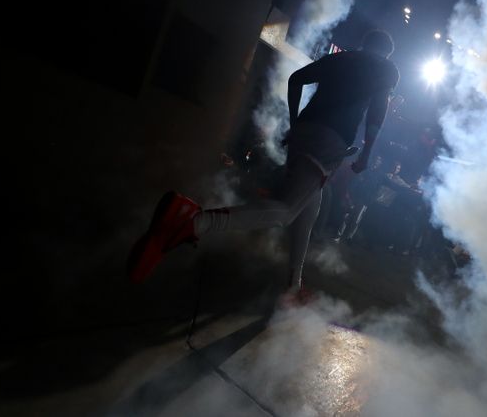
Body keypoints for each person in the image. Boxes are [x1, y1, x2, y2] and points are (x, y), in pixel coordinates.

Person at [127, 30, 400, 299]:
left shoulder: (342, 59)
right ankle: (196, 221)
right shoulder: (385, 68)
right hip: (330, 140)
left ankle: (293, 284)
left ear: (365, 43)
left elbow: (296, 80)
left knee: (310, 206)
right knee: (285, 213)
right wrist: (366, 154)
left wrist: (295, 124)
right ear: (385, 52)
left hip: (305, 132)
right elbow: (377, 112)